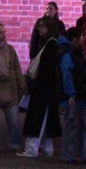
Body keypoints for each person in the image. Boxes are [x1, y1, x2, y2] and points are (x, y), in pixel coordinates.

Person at [19, 18, 63, 157]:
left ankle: (32, 148)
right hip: (48, 88)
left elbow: (46, 68)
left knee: (38, 117)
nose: (39, 29)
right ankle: (46, 148)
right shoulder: (53, 44)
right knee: (47, 118)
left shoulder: (49, 45)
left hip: (43, 87)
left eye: (42, 26)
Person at [0, 23, 25, 153]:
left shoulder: (10, 50)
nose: (3, 35)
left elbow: (16, 68)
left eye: (4, 32)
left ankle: (14, 144)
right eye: (0, 32)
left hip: (9, 87)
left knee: (13, 120)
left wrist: (21, 85)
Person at [57, 27, 86, 164]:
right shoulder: (70, 54)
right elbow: (67, 75)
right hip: (75, 97)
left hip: (78, 96)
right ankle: (71, 154)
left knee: (76, 126)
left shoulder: (73, 53)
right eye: (81, 37)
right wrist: (71, 94)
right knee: (73, 126)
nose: (83, 40)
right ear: (74, 39)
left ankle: (78, 154)